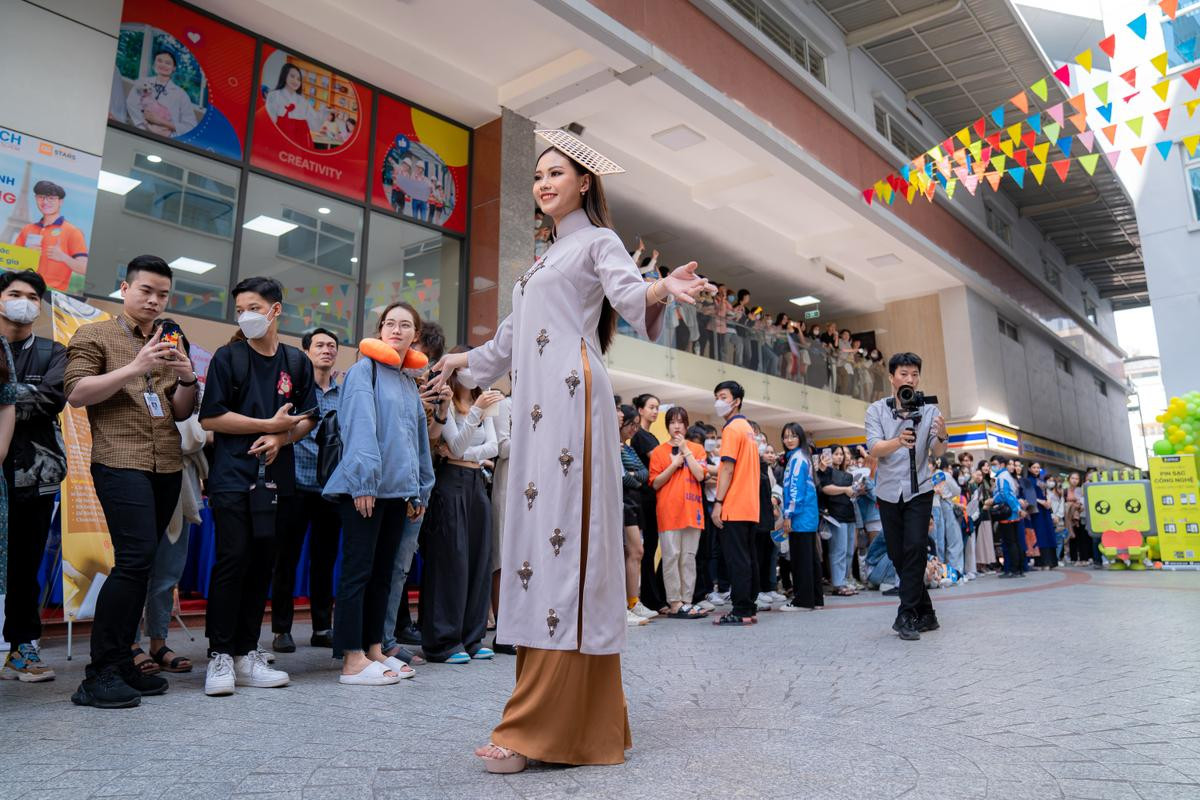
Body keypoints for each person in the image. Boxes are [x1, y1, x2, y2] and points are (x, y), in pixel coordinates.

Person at [432, 135, 710, 771]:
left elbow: (631, 300)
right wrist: (455, 360)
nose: (542, 182)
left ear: (585, 183)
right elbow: (504, 346)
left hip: (571, 396)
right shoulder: (542, 259)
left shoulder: (599, 242)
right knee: (536, 544)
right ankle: (571, 721)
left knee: (561, 539)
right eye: (536, 175)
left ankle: (536, 725)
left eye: (555, 173)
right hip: (534, 409)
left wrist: (662, 284)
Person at [64, 255, 199, 707]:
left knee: (144, 563)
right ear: (125, 288)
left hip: (165, 463)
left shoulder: (169, 339)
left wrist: (186, 378)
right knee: (134, 559)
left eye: (163, 294)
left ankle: (122, 662)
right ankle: (99, 672)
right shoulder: (95, 334)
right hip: (119, 461)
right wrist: (135, 367)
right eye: (147, 291)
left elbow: (180, 411)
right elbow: (77, 393)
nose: (155, 301)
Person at [198, 277, 316, 697]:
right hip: (232, 477)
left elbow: (307, 418)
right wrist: (266, 426)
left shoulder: (296, 363)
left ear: (275, 310)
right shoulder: (227, 358)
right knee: (233, 560)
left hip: (278, 482)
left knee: (264, 563)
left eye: (253, 307)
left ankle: (248, 651)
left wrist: (282, 438)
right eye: (240, 309)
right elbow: (210, 417)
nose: (246, 316)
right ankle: (220, 656)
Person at [322, 301, 433, 685]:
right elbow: (359, 427)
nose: (396, 330)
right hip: (365, 490)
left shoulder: (406, 380)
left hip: (397, 493)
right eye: (390, 323)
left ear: (415, 335)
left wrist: (418, 491)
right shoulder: (363, 370)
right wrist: (364, 482)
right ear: (380, 329)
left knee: (383, 575)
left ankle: (373, 649)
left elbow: (416, 441)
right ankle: (351, 658)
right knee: (358, 573)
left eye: (405, 325)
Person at [0, 271, 66, 682]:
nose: (23, 301)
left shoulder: (52, 351)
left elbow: (51, 399)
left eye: (31, 296)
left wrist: (7, 396)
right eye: (14, 294)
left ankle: (22, 647)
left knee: (25, 564)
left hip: (34, 475)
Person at [133, 329, 207, 676]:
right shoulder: (137, 379)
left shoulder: (193, 387)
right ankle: (128, 643)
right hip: (140, 480)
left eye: (178, 347)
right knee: (133, 567)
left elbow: (199, 435)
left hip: (183, 486)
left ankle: (158, 641)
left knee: (167, 573)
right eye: (164, 345)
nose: (170, 351)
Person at [421, 351, 500, 664]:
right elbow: (453, 446)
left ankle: (472, 636)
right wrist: (475, 416)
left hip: (476, 482)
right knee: (451, 561)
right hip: (450, 482)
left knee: (479, 559)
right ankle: (443, 641)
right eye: (465, 364)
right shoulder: (447, 401)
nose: (471, 371)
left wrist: (468, 449)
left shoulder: (484, 401)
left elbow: (493, 446)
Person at [864, 352, 948, 641]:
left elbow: (937, 453)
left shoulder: (931, 411)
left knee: (914, 548)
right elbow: (874, 448)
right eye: (903, 374)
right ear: (891, 377)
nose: (909, 379)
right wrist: (898, 441)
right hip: (887, 492)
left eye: (914, 374)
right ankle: (928, 613)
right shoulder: (876, 410)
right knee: (898, 554)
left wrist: (943, 436)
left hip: (920, 490)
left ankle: (906, 614)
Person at [271, 328, 342, 652]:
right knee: (286, 558)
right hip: (295, 484)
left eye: (331, 346)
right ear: (306, 350)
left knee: (324, 561)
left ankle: (321, 627)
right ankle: (281, 629)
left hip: (330, 489)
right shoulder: (295, 389)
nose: (326, 350)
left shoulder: (344, 394)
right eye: (320, 345)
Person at [382, 321, 448, 662]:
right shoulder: (379, 377)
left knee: (400, 568)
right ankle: (373, 641)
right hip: (383, 485)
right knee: (380, 566)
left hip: (417, 485)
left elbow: (433, 441)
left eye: (428, 358)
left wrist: (441, 408)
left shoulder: (419, 386)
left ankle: (387, 638)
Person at [648, 406, 707, 619]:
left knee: (688, 558)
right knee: (672, 557)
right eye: (672, 422)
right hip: (669, 512)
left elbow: (700, 475)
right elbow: (655, 483)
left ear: (686, 425)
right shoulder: (659, 452)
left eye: (680, 422)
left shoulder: (697, 449)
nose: (676, 426)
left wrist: (686, 450)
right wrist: (674, 465)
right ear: (667, 426)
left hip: (693, 511)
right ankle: (674, 602)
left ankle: (688, 601)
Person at [710, 381, 761, 626]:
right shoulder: (748, 429)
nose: (718, 401)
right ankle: (749, 606)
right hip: (750, 506)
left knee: (736, 560)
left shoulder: (731, 430)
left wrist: (718, 502)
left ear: (736, 400)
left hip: (734, 504)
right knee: (748, 558)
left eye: (723, 396)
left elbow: (727, 469)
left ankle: (740, 610)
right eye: (716, 397)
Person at [13, 181, 89, 293]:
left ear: (60, 201)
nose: (45, 201)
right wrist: (26, 255)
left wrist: (63, 257)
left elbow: (84, 269)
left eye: (51, 198)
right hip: (22, 290)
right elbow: (11, 262)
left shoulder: (73, 232)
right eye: (41, 197)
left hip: (51, 295)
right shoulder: (27, 229)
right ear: (36, 198)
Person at [779, 422, 821, 611]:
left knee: (801, 560)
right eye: (786, 436)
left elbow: (796, 490)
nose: (788, 440)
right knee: (811, 559)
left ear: (800, 438)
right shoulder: (803, 457)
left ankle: (803, 601)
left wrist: (788, 515)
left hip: (801, 517)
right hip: (808, 516)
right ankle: (816, 599)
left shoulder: (797, 459)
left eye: (793, 436)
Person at [630, 393, 664, 620]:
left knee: (651, 547)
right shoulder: (640, 437)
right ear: (640, 410)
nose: (655, 411)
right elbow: (658, 464)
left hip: (652, 496)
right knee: (647, 549)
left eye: (657, 407)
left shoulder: (649, 435)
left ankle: (653, 596)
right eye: (651, 407)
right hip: (644, 498)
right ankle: (649, 598)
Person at [618, 405, 649, 628]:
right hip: (623, 503)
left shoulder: (628, 449)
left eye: (637, 426)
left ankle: (633, 601)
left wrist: (634, 476)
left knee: (636, 552)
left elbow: (644, 473)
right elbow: (624, 478)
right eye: (631, 424)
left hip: (633, 504)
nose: (634, 429)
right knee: (633, 551)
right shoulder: (615, 446)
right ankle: (627, 603)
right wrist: (634, 477)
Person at [124, 49, 198, 139]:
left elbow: (190, 127)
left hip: (166, 140)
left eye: (168, 63)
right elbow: (131, 104)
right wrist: (146, 127)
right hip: (139, 133)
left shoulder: (181, 95)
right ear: (154, 64)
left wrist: (161, 122)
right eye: (159, 61)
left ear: (174, 68)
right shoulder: (142, 82)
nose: (163, 65)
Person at [819, 446, 859, 596]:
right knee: (838, 551)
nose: (839, 457)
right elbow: (825, 489)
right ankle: (837, 583)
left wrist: (857, 490)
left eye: (841, 454)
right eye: (836, 454)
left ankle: (844, 579)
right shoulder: (826, 472)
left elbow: (851, 493)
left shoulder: (847, 474)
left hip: (849, 514)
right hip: (835, 515)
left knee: (849, 551)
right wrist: (844, 490)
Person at [265, 63, 323, 147]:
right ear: (284, 76)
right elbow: (269, 122)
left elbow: (315, 125)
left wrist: (324, 113)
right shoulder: (274, 95)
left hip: (300, 142)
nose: (296, 81)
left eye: (299, 79)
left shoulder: (303, 102)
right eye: (292, 76)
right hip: (279, 139)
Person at [988, 455, 1023, 578]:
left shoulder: (1002, 477)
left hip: (1007, 515)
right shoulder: (1007, 476)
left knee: (1010, 542)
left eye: (994, 464)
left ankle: (1013, 570)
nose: (993, 466)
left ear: (1002, 464)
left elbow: (1004, 495)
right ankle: (1017, 569)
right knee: (1014, 542)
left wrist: (993, 500)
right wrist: (1018, 509)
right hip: (1013, 513)